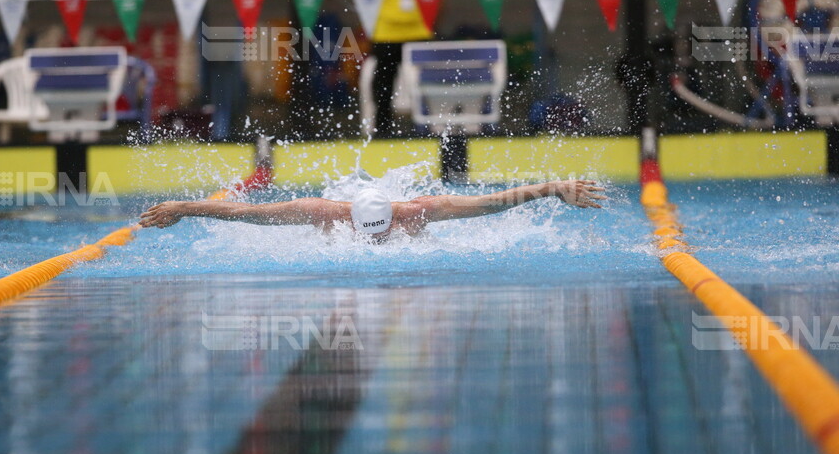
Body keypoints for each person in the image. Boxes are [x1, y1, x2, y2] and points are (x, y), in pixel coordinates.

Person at [139, 179, 606, 242]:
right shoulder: (320, 211)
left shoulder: (421, 211)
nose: (377, 241)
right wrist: (185, 206)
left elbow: (490, 204)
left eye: (382, 231)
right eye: (371, 234)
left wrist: (553, 188)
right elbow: (248, 213)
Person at [363, 0, 448, 137]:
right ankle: (382, 128)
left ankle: (428, 126)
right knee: (383, 80)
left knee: (424, 80)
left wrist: (434, 25)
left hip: (420, 29)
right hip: (386, 30)